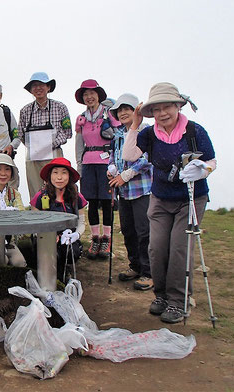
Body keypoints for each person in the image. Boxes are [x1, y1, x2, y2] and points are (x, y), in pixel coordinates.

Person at [122, 82, 216, 323]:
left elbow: (212, 161)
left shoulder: (195, 132)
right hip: (161, 197)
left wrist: (203, 170)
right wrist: (135, 123)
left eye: (167, 107)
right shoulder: (149, 134)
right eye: (156, 109)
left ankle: (178, 301)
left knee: (179, 249)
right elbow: (129, 155)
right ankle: (161, 296)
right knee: (156, 248)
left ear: (178, 106)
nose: (162, 113)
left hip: (191, 199)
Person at [108, 93, 153, 291]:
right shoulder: (117, 135)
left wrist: (125, 175)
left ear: (137, 111)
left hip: (143, 190)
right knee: (128, 230)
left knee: (144, 231)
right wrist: (110, 170)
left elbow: (147, 159)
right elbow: (112, 157)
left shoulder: (146, 132)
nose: (123, 113)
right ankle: (135, 266)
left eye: (128, 109)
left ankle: (149, 272)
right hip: (123, 191)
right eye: (120, 110)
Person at [74, 79, 119, 260]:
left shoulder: (110, 115)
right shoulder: (81, 119)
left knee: (107, 201)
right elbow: (79, 143)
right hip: (88, 162)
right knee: (91, 201)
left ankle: (106, 239)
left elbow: (118, 138)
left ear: (99, 95)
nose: (89, 97)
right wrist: (79, 164)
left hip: (107, 163)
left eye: (92, 93)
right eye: (85, 94)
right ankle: (95, 239)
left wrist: (116, 163)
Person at [30, 157, 87, 282]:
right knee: (49, 253)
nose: (59, 177)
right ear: (50, 175)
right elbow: (33, 223)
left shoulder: (76, 197)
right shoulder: (41, 196)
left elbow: (82, 223)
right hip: (45, 237)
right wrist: (48, 236)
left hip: (68, 237)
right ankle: (48, 278)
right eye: (55, 172)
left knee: (72, 252)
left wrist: (75, 235)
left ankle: (63, 274)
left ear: (69, 176)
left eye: (64, 172)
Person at [18, 72, 72, 200]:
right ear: (31, 90)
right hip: (33, 156)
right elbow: (20, 133)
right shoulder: (25, 110)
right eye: (34, 86)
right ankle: (37, 217)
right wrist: (34, 146)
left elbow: (67, 132)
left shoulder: (60, 107)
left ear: (48, 87)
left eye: (42, 85)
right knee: (35, 191)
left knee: (57, 188)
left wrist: (48, 145)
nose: (38, 88)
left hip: (54, 153)